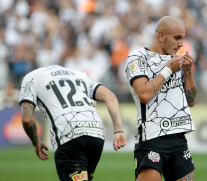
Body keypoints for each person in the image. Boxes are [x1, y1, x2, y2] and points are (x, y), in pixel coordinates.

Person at [19, 65, 127, 181]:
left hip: (69, 135)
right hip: (96, 133)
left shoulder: (31, 77)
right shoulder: (78, 74)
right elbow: (110, 96)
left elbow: (27, 119)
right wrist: (118, 130)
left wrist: (36, 142)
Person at [125, 16, 197, 181]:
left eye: (182, 38)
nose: (181, 44)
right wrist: (168, 70)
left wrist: (188, 72)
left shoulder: (177, 60)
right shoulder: (138, 57)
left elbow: (191, 101)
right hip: (152, 137)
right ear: (161, 36)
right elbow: (144, 94)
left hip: (178, 137)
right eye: (177, 38)